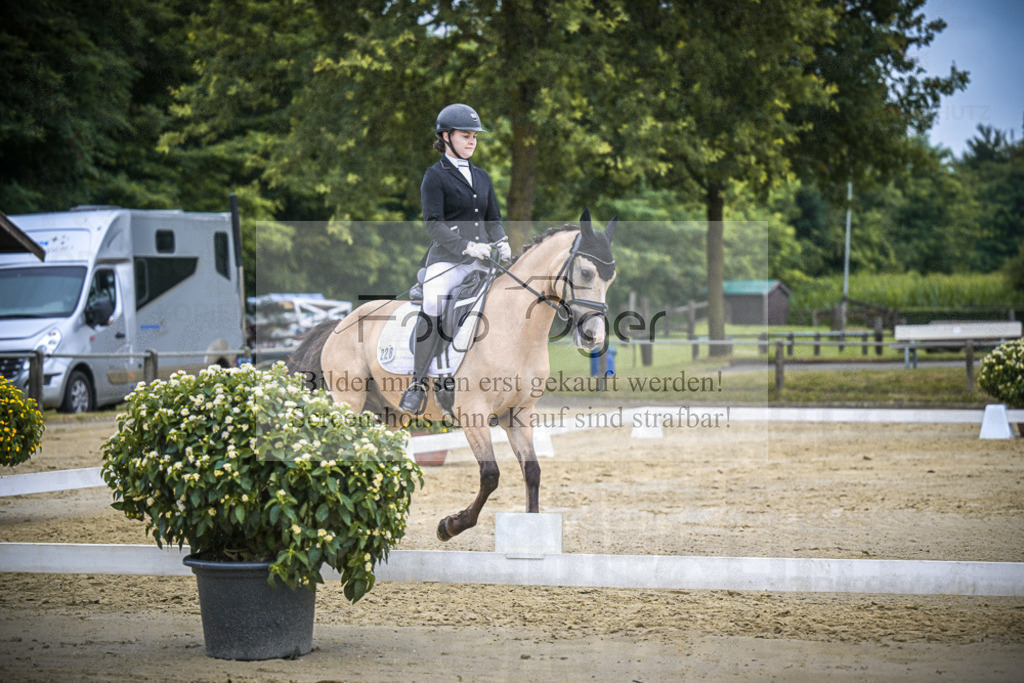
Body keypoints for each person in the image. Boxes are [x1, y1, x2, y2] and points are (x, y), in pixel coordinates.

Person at [398, 103, 511, 415]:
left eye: (474, 136)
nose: (472, 141)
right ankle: (418, 384)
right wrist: (465, 247)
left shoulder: (483, 177)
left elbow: (494, 219)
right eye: (465, 136)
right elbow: (433, 224)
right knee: (434, 302)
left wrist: (502, 242)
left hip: (485, 260)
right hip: (447, 260)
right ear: (446, 137)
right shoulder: (434, 176)